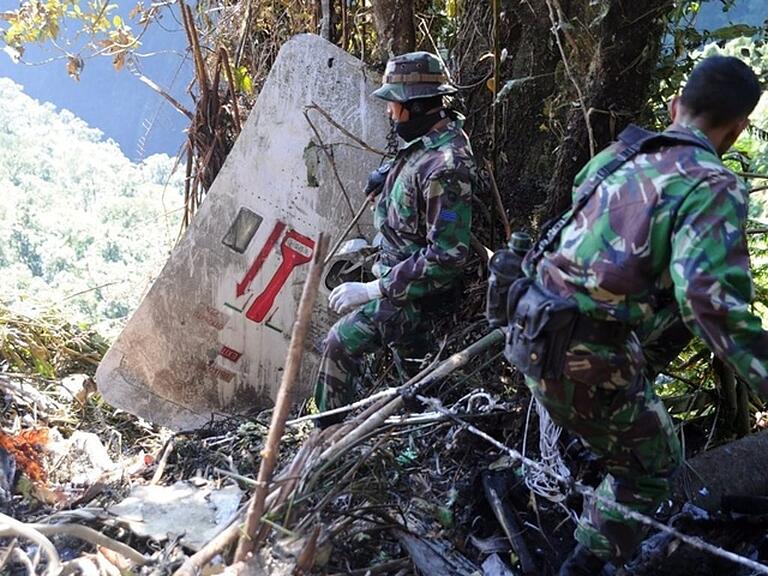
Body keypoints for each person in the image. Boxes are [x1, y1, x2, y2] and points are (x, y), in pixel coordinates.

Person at [504, 56, 766, 575]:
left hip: (529, 324)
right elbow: (709, 302)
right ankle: (583, 566)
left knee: (628, 411)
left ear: (674, 106)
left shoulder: (618, 155)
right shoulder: (711, 182)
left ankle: (590, 455)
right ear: (737, 130)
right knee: (651, 468)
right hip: (583, 351)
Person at [313, 51, 476, 425]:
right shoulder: (430, 141)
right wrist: (389, 176)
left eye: (394, 104)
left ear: (415, 107)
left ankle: (325, 436)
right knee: (418, 388)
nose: (389, 112)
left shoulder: (446, 167)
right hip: (399, 285)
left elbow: (447, 257)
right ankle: (427, 437)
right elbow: (418, 172)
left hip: (414, 299)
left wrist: (374, 290)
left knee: (339, 343)